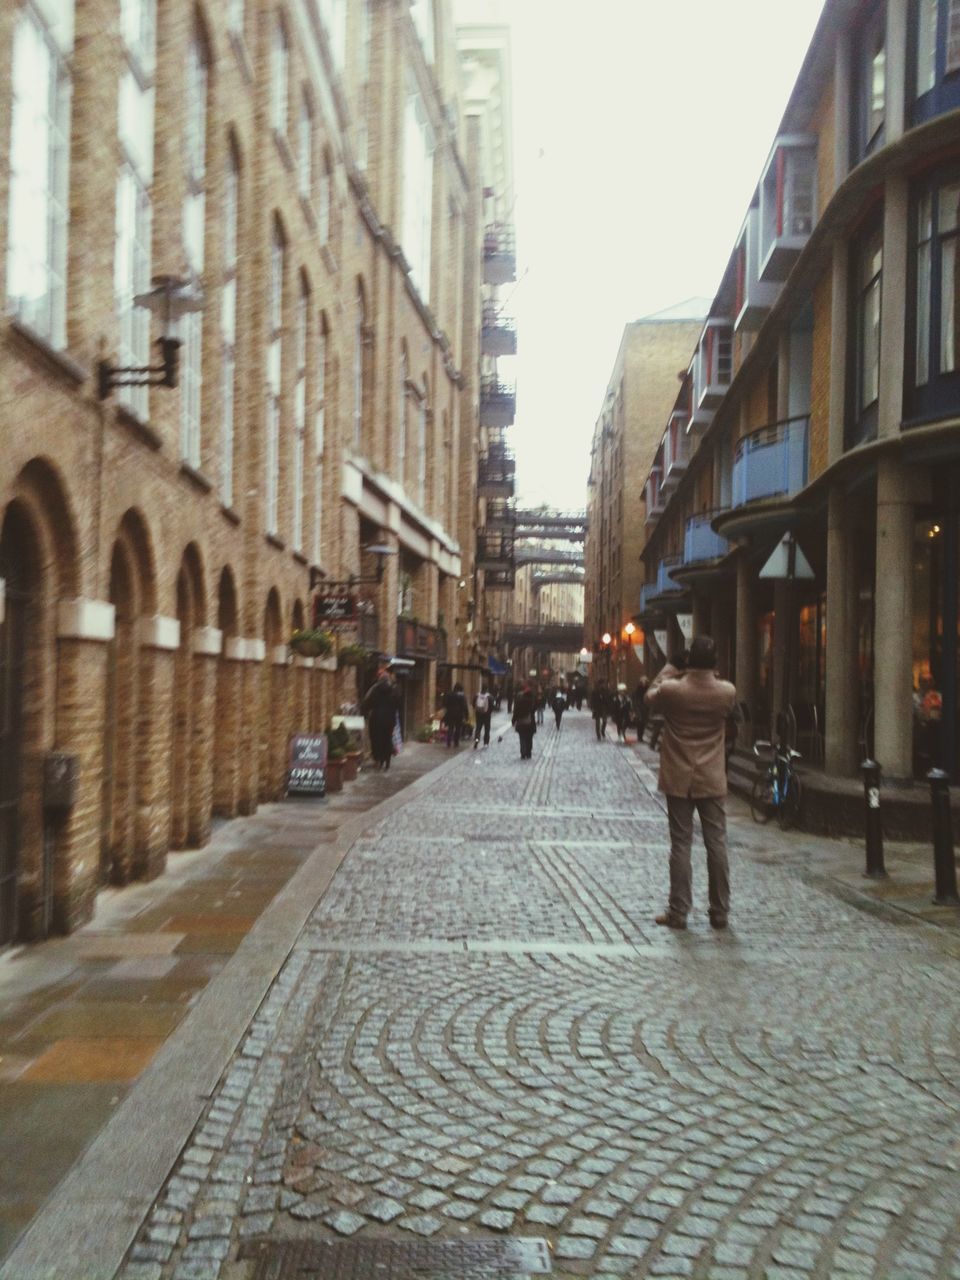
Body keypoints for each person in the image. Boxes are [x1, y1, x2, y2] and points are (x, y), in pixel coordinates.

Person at [645, 635, 737, 931]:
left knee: (681, 844)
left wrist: (673, 666)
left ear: (689, 661)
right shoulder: (726, 692)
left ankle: (679, 911)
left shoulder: (673, 690)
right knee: (717, 844)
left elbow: (650, 695)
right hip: (711, 777)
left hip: (679, 777)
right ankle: (720, 911)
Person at [361, 657, 400, 771]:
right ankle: (387, 761)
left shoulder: (374, 689)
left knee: (376, 739)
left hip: (376, 719)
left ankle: (378, 760)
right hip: (389, 720)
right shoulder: (394, 690)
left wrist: (365, 712)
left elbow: (367, 703)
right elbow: (398, 705)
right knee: (387, 739)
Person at [512, 682, 537, 759]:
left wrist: (513, 720)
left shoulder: (520, 702)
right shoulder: (532, 702)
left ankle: (523, 753)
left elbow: (516, 712)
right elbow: (535, 709)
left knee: (522, 738)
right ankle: (528, 753)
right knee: (529, 739)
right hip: (530, 723)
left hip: (521, 723)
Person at [443, 682, 469, 748]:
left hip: (450, 713)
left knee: (450, 727)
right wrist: (466, 715)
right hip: (459, 714)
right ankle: (456, 742)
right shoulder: (462, 696)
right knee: (458, 728)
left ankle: (448, 742)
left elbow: (445, 704)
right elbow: (464, 706)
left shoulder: (449, 694)